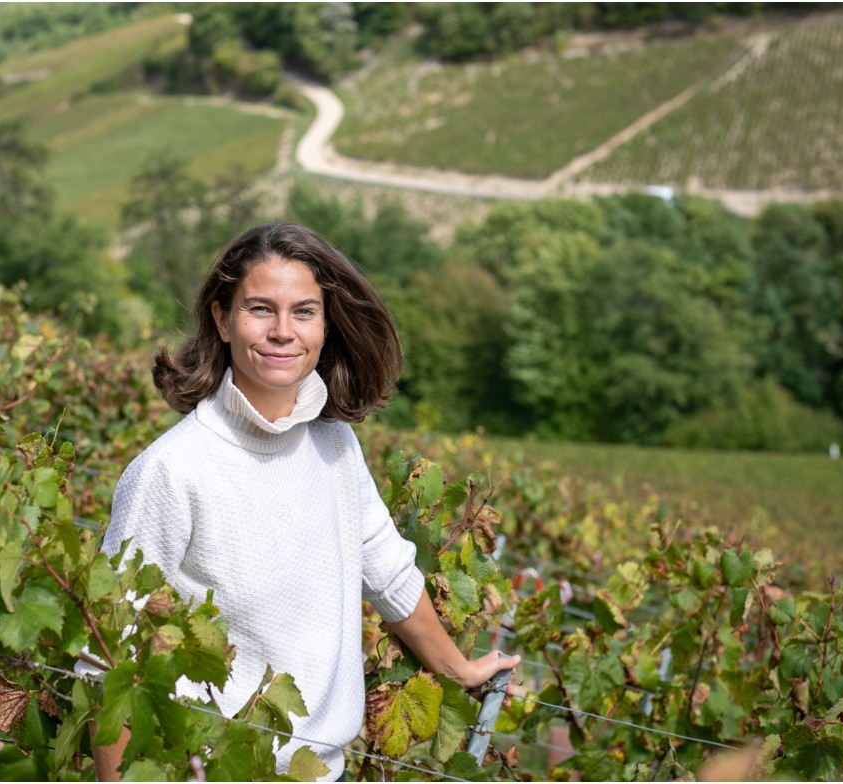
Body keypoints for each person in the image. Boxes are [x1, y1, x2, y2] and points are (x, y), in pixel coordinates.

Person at [85, 223, 518, 781]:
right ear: (221, 319)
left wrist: (456, 669)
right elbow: (110, 657)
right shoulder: (171, 471)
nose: (282, 331)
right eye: (260, 309)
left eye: (304, 312)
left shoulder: (334, 444)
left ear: (326, 324)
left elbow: (386, 568)